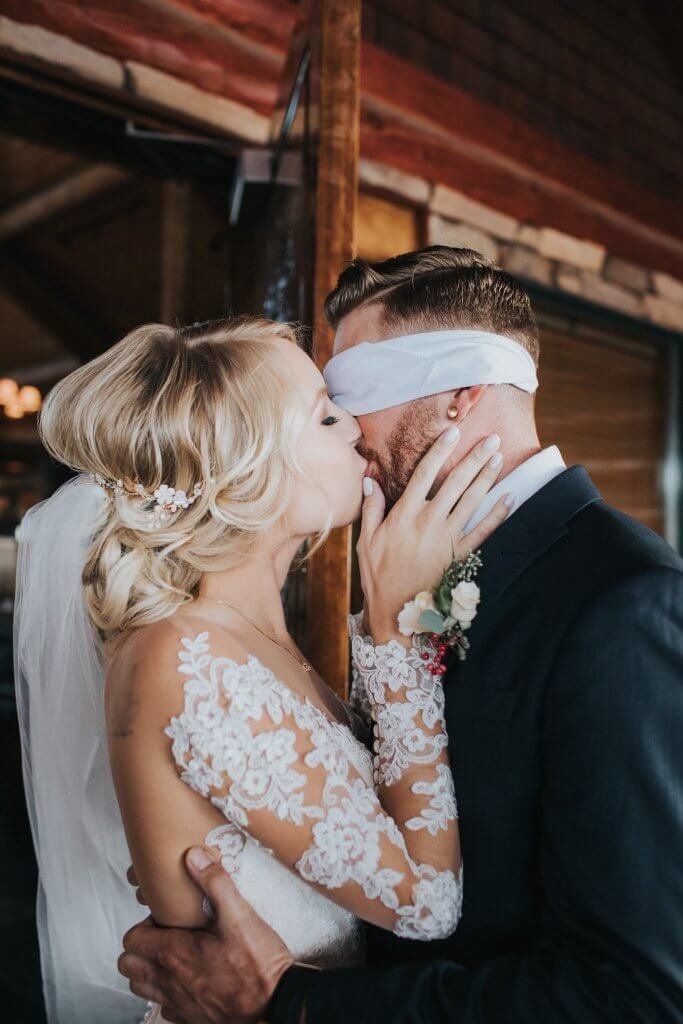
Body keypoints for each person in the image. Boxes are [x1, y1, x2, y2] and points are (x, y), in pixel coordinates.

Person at [119, 247, 683, 1024]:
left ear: (460, 397)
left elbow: (634, 997)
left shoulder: (621, 600)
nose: (349, 429)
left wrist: (298, 1003)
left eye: (351, 394)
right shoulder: (403, 570)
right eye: (325, 408)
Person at [14, 313, 511, 1024]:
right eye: (324, 417)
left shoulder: (253, 638)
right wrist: (393, 633)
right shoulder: (187, 656)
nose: (356, 431)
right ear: (250, 465)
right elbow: (424, 904)